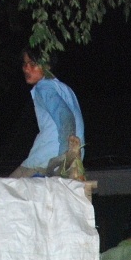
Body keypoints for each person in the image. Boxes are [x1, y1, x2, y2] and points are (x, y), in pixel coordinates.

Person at [13, 48, 85, 178]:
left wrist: (64, 160)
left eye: (33, 64)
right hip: (75, 158)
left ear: (47, 66)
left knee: (1, 191)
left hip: (46, 160)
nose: (26, 69)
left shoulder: (44, 86)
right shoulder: (66, 89)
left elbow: (66, 117)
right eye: (24, 64)